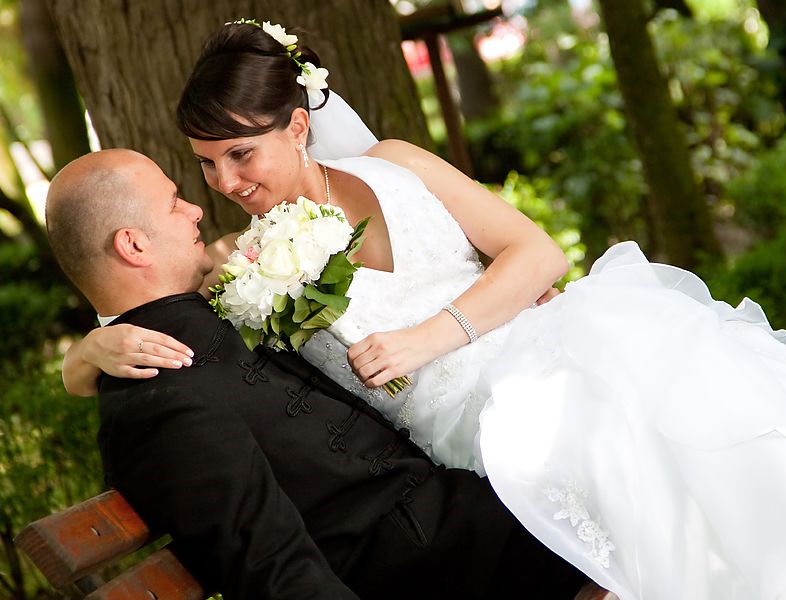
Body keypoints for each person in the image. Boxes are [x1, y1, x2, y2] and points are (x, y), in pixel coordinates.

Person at [63, 21, 786, 600]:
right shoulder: (237, 264)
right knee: (615, 470)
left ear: (295, 125)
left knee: (679, 434)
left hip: (532, 363)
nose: (222, 182)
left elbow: (537, 255)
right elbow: (152, 314)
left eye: (240, 154)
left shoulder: (396, 164)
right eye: (204, 162)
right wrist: (86, 354)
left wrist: (432, 335)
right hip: (467, 447)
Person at [44, 148, 598, 600]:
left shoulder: (214, 305)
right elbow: (273, 568)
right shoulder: (157, 401)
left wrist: (85, 351)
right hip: (447, 567)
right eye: (173, 204)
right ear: (134, 245)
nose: (195, 209)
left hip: (472, 517)